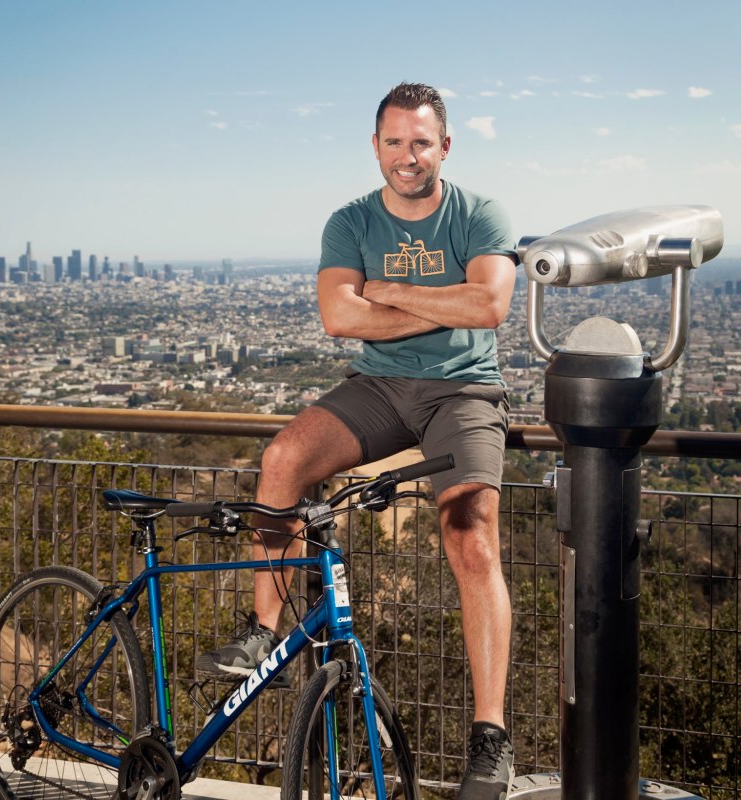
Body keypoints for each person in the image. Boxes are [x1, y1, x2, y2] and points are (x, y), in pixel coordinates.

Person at [199, 82, 518, 800]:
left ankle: (489, 736)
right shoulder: (349, 222)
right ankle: (263, 628)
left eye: (423, 142)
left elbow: (490, 305)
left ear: (446, 145)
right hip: (375, 388)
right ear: (376, 146)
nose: (409, 157)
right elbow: (339, 320)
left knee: (472, 533)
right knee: (282, 460)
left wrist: (389, 292)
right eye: (396, 142)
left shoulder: (479, 213)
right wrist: (437, 303)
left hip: (463, 389)